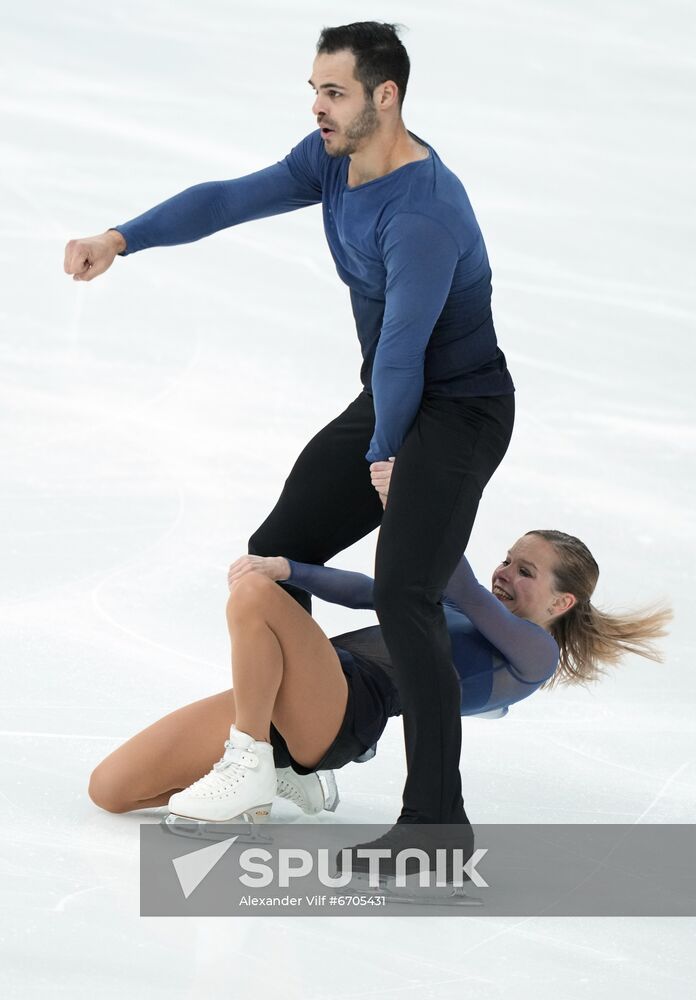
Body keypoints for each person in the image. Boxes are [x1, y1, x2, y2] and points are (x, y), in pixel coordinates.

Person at [67, 21, 519, 850]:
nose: (317, 105)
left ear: (387, 97)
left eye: (334, 91)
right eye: (315, 88)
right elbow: (228, 199)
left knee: (408, 596)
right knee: (278, 546)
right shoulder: (334, 160)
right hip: (390, 392)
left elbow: (405, 355)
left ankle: (437, 826)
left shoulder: (424, 214)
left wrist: (386, 454)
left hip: (458, 412)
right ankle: (286, 761)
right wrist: (121, 237)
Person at [88, 461, 671, 846]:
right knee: (112, 791)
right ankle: (276, 774)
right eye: (507, 559)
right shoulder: (468, 608)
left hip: (344, 707)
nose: (506, 573)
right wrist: (290, 568)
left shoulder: (533, 653)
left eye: (527, 572)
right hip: (292, 692)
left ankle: (251, 767)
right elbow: (370, 592)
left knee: (254, 599)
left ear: (562, 601)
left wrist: (414, 506)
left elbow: (462, 583)